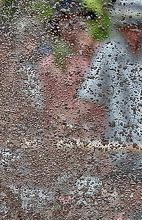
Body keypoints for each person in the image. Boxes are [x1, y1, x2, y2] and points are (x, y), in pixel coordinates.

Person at [78, 0, 142, 180]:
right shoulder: (108, 52)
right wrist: (71, 129)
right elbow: (89, 98)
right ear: (119, 26)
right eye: (129, 25)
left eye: (140, 25)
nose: (135, 30)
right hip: (120, 147)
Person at [39, 0, 100, 132]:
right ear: (57, 25)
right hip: (64, 131)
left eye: (75, 18)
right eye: (64, 19)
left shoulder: (101, 52)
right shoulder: (49, 63)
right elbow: (50, 105)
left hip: (99, 131)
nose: (70, 24)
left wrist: (89, 47)